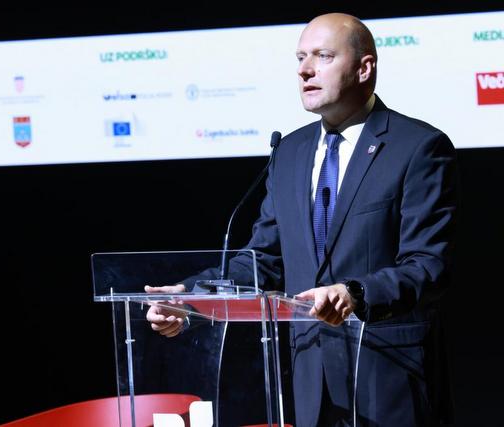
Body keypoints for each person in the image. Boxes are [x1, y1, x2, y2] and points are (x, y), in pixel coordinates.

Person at [146, 13, 457, 427]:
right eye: (300, 58)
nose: (305, 70)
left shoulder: (417, 147)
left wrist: (354, 293)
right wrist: (191, 297)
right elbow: (263, 260)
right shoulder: (289, 152)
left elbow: (427, 266)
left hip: (388, 379)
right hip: (310, 381)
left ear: (365, 68)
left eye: (323, 56)